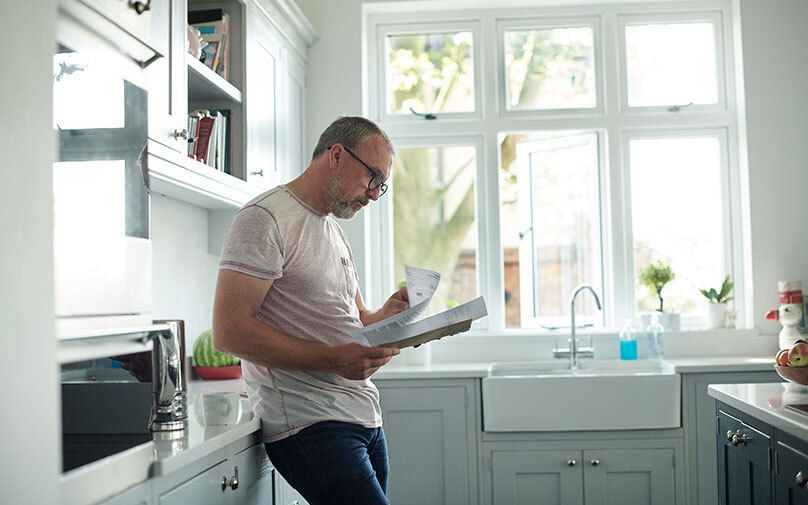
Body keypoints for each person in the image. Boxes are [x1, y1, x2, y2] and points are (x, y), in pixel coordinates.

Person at [212, 116, 409, 505]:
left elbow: (353, 322)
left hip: (362, 416)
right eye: (372, 177)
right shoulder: (263, 219)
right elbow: (229, 331)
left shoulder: (331, 228)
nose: (373, 194)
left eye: (380, 186)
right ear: (337, 155)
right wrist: (335, 360)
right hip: (310, 423)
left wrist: (388, 314)